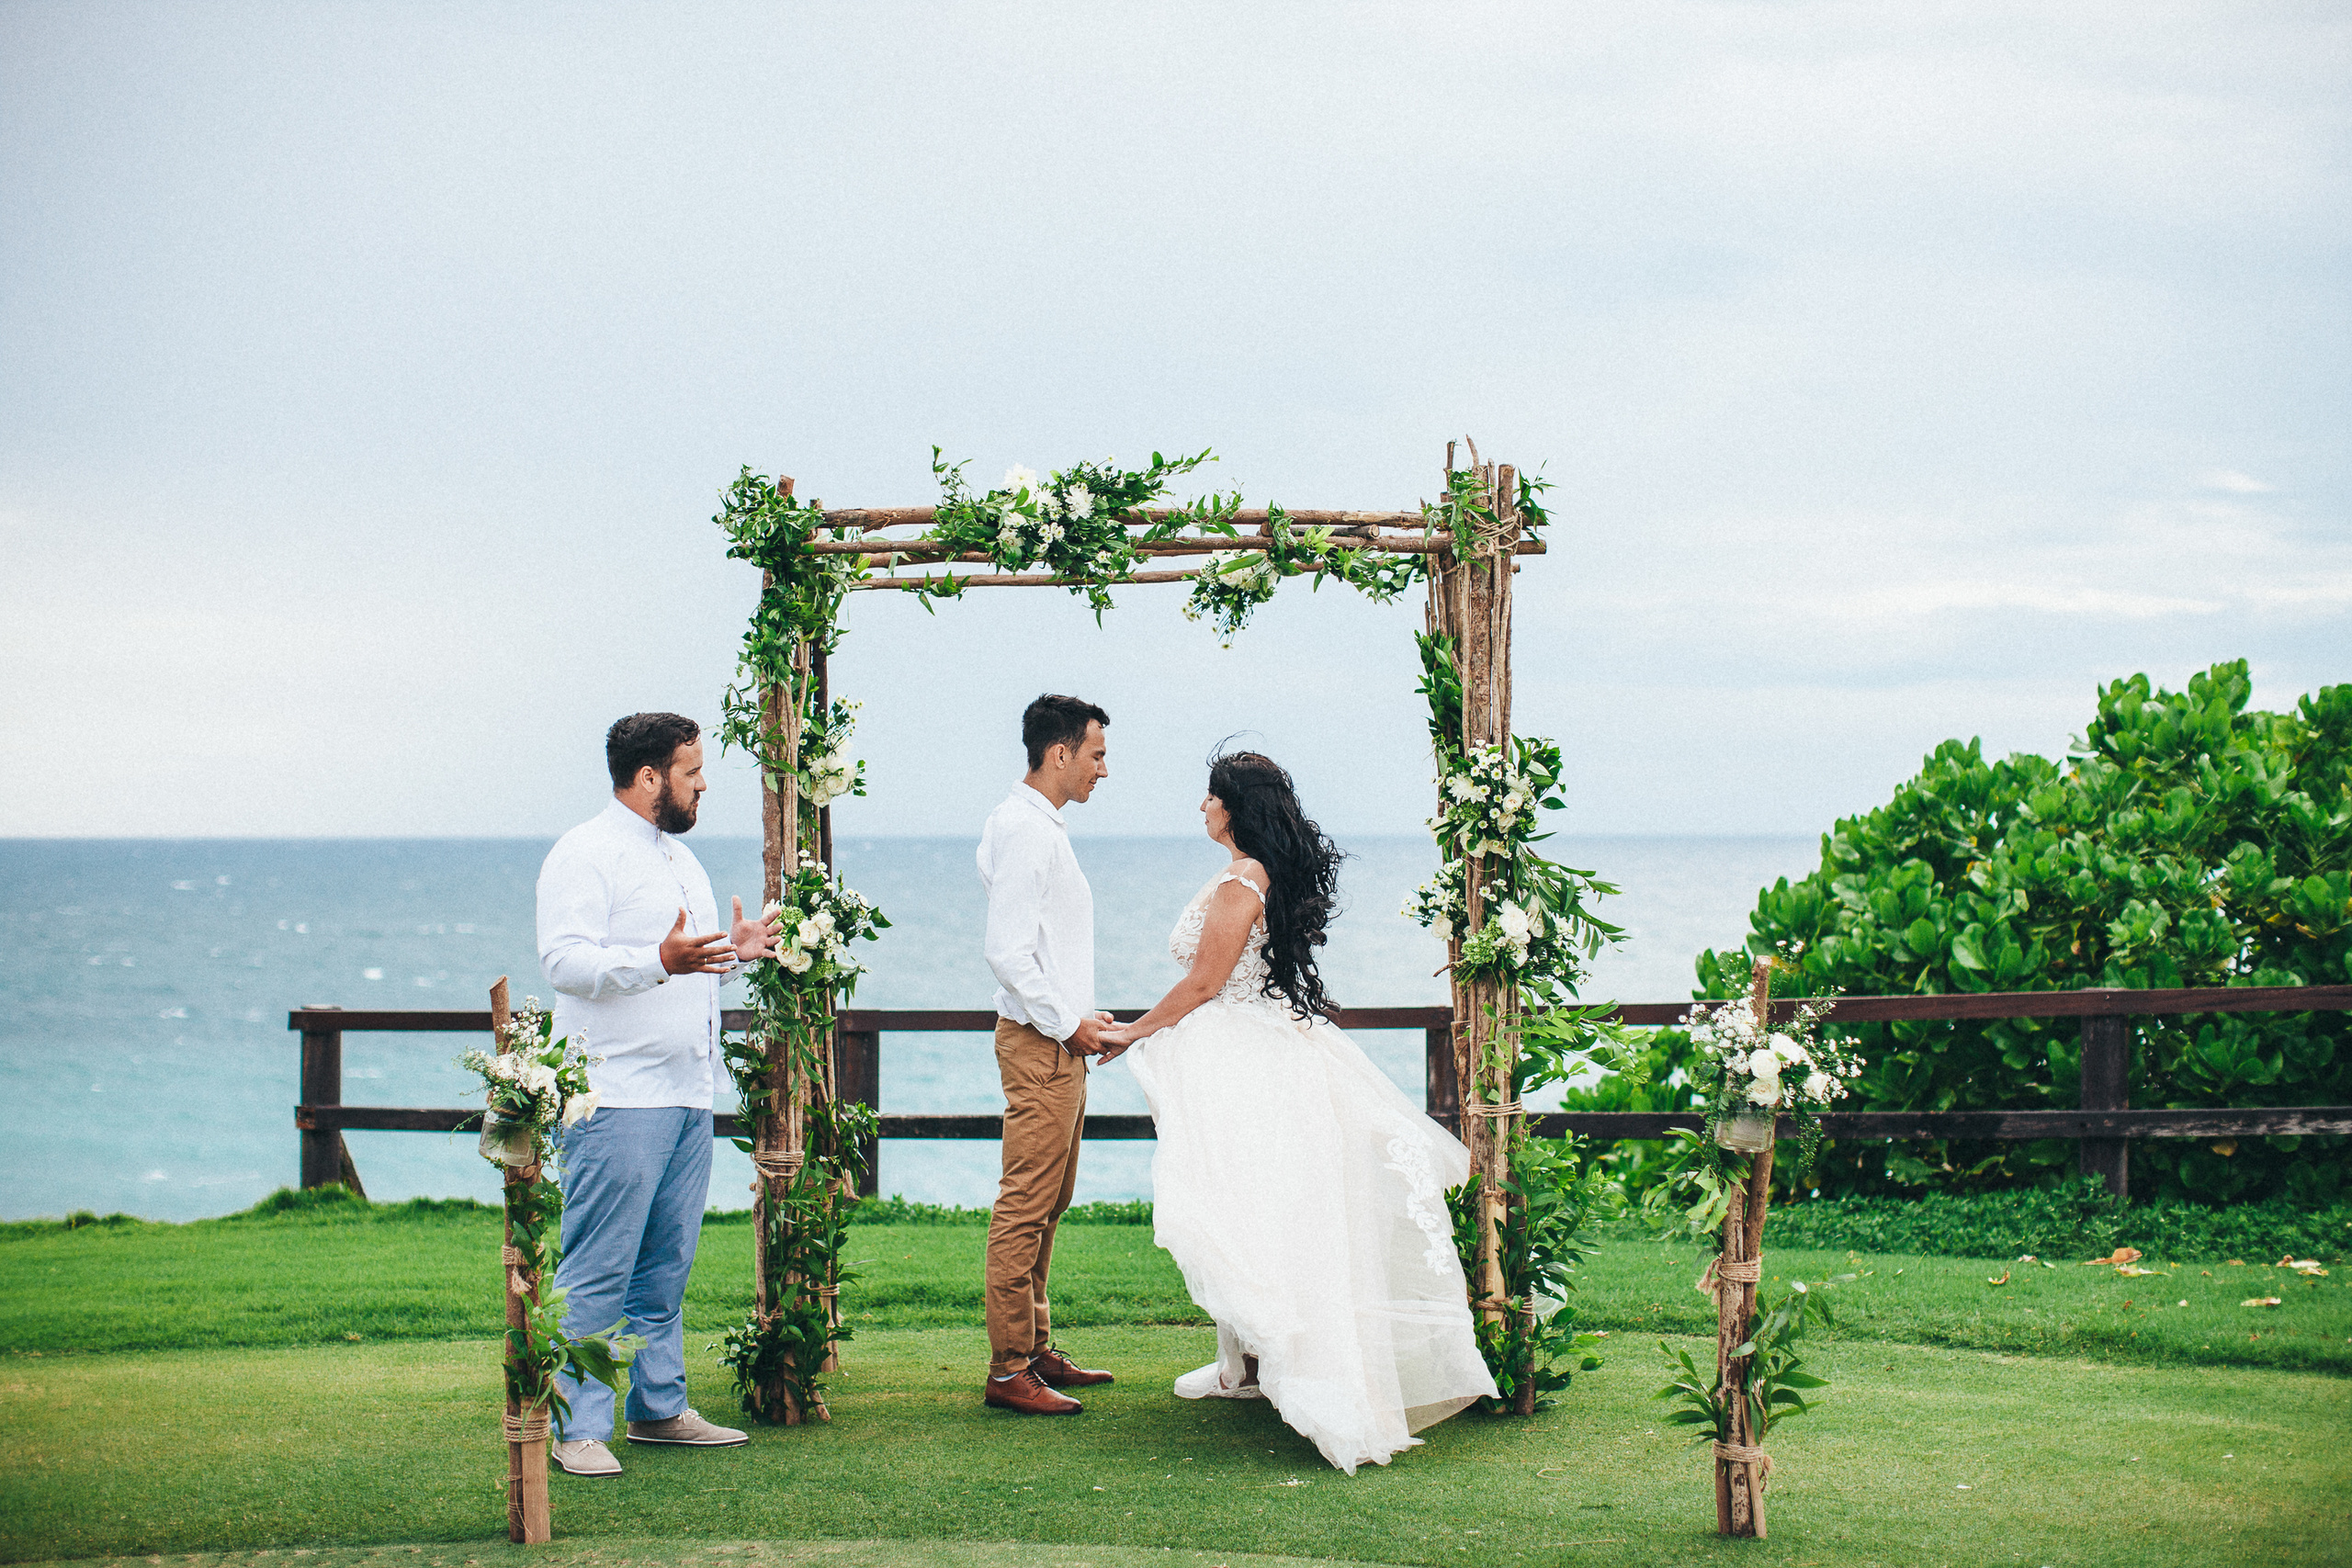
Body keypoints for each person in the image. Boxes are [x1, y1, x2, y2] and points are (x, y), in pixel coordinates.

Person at [1100, 749, 1497, 1474]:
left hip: (1238, 1052)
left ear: (1233, 808)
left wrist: (1130, 1031)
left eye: (1210, 796)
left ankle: (1268, 1363)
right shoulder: (1260, 874)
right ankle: (1241, 1365)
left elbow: (1202, 983)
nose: (1201, 806)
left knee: (1240, 1204)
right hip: (1264, 1043)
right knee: (1254, 1201)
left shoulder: (1239, 881)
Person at [537, 712, 783, 1478]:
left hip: (684, 1093)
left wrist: (732, 954)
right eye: (692, 770)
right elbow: (564, 962)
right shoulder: (584, 853)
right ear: (649, 777)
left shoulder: (683, 862)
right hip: (616, 1094)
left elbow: (687, 964)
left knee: (666, 1266)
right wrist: (658, 960)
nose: (704, 782)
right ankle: (576, 1426)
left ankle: (658, 1407)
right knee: (598, 1267)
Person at [974, 694, 1121, 1414]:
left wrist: (1075, 1015)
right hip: (1041, 1044)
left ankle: (1033, 1347)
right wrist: (1068, 1025)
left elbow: (1041, 945)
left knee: (1051, 1200)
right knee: (1026, 1204)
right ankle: (1008, 1368)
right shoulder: (1027, 830)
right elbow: (1007, 951)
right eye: (1095, 753)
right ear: (1058, 753)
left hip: (1055, 1037)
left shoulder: (1031, 825)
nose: (1103, 767)